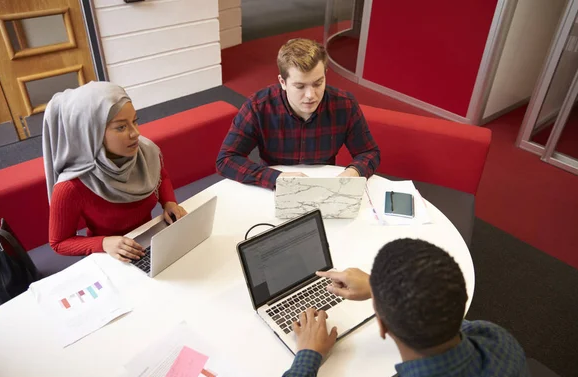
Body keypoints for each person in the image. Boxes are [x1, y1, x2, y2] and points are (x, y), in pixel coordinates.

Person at [272, 239, 534, 377]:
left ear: (382, 326)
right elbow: (436, 310)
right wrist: (379, 288)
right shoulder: (498, 338)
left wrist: (307, 354)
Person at [43, 81, 187, 261]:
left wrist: (169, 203)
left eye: (135, 121)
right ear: (91, 133)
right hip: (109, 255)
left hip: (149, 240)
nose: (135, 133)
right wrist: (104, 243)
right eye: (121, 127)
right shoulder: (71, 186)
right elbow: (59, 242)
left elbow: (161, 176)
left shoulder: (146, 152)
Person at [215, 38, 381, 189]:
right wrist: (277, 178)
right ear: (283, 82)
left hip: (324, 185)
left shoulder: (345, 104)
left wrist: (353, 172)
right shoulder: (258, 107)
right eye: (300, 86)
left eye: (318, 83)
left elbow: (369, 153)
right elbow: (226, 160)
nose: (311, 95)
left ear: (325, 75)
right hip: (274, 185)